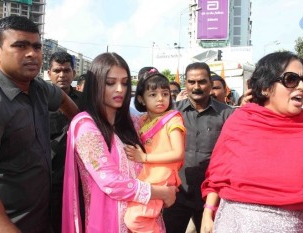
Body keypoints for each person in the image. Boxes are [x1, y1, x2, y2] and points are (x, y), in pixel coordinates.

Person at [201, 51, 303, 232]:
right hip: (234, 225)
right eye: (291, 79)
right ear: (265, 88)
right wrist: (208, 212)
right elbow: (218, 175)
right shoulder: (241, 122)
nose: (302, 86)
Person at [0, 15, 79, 233]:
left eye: (36, 46)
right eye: (20, 46)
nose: (32, 53)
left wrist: (82, 129)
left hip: (44, 217)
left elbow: (63, 100)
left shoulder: (39, 88)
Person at [62, 52, 177, 233]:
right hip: (108, 222)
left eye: (124, 83)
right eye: (110, 83)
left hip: (144, 218)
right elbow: (111, 181)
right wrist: (161, 192)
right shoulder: (86, 126)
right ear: (95, 86)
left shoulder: (133, 122)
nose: (120, 89)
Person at [163, 62, 234, 233]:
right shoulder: (171, 113)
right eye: (191, 82)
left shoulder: (228, 114)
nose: (196, 87)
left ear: (210, 83)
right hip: (176, 194)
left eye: (201, 82)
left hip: (210, 196)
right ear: (185, 84)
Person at [123, 70, 186, 232]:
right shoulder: (143, 120)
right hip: (147, 177)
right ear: (141, 99)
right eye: (153, 94)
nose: (160, 99)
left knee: (135, 219)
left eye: (165, 94)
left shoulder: (173, 119)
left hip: (162, 177)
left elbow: (178, 153)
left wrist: (144, 157)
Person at [48, 51, 82, 233]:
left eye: (67, 70)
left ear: (73, 74)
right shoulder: (39, 101)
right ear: (49, 73)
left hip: (78, 176)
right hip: (50, 177)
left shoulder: (85, 101)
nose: (62, 75)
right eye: (57, 70)